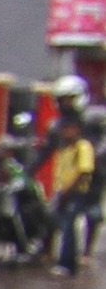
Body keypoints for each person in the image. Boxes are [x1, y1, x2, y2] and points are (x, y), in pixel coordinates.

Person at [52, 88, 98, 276]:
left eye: (68, 129)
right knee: (64, 226)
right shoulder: (65, 148)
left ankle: (68, 264)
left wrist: (68, 191)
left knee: (70, 227)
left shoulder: (82, 146)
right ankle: (64, 260)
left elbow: (84, 171)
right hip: (64, 192)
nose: (65, 133)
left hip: (75, 193)